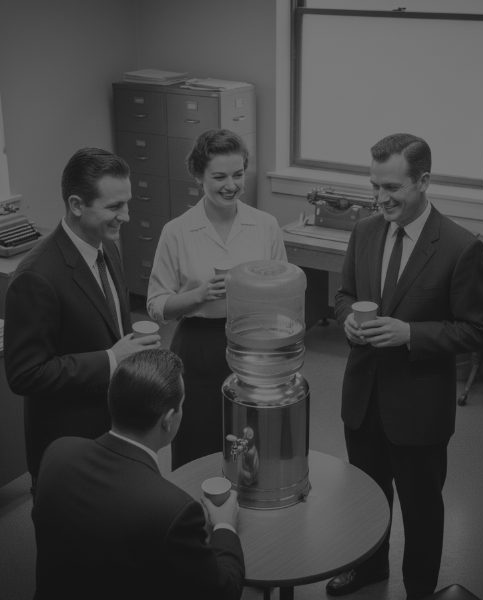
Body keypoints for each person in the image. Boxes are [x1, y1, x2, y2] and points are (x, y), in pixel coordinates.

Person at [326, 133, 483, 599]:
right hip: (363, 398)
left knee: (422, 509)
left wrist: (412, 334)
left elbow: (479, 330)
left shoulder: (461, 247)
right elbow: (342, 297)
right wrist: (346, 324)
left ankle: (421, 589)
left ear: (423, 181)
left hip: (419, 409)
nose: (380, 199)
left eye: (393, 189)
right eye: (375, 186)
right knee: (367, 497)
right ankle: (368, 569)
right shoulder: (363, 231)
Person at [4, 147, 161, 489]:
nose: (128, 216)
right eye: (115, 207)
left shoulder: (109, 249)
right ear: (76, 205)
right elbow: (25, 374)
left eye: (127, 203)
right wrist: (111, 359)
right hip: (68, 448)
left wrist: (130, 352)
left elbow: (106, 327)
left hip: (116, 434)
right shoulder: (35, 277)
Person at [32, 348, 245, 600]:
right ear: (167, 420)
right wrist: (224, 524)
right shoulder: (174, 511)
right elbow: (223, 592)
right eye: (182, 405)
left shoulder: (57, 453)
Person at [147, 128, 287, 469]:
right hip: (197, 347)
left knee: (246, 438)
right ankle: (196, 513)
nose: (231, 185)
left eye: (238, 175)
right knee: (197, 439)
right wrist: (198, 295)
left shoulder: (265, 225)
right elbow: (156, 306)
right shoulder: (177, 231)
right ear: (198, 176)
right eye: (219, 176)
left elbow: (283, 289)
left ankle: (241, 503)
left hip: (252, 344)